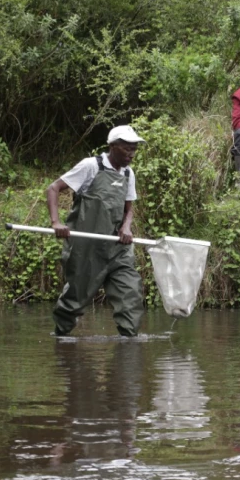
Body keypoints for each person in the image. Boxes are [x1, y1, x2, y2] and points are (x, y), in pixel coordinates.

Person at [47, 125, 146, 337]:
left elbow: (129, 209)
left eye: (134, 149)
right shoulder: (91, 166)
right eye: (127, 149)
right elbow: (53, 188)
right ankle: (61, 336)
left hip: (117, 249)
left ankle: (127, 350)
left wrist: (126, 226)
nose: (131, 154)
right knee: (74, 301)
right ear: (113, 146)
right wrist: (56, 223)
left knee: (131, 296)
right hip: (86, 249)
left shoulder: (128, 174)